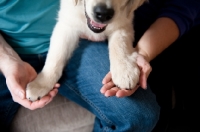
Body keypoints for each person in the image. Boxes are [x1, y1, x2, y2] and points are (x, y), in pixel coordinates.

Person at [0, 0, 199, 131]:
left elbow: (183, 8)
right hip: (6, 47)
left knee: (139, 114)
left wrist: (136, 54)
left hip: (80, 39)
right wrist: (7, 61)